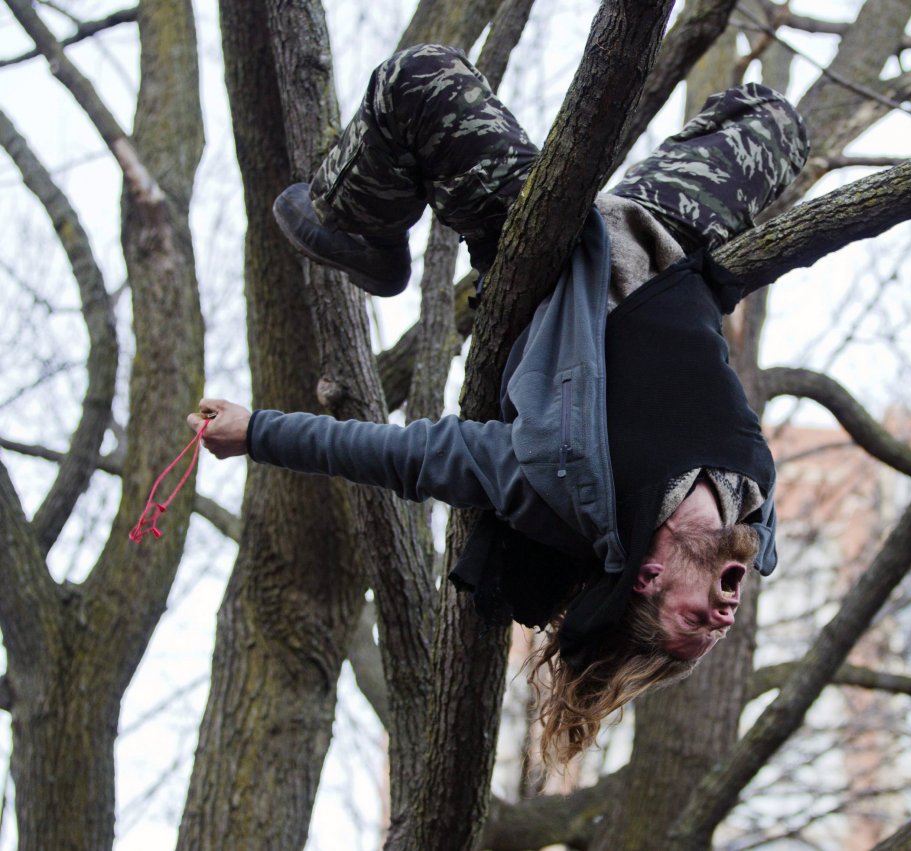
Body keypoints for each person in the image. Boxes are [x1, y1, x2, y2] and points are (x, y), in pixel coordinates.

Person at [191, 44, 809, 764]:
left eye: (693, 624)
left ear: (648, 579)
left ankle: (362, 229)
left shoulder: (569, 495)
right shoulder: (754, 515)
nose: (722, 620)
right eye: (716, 632)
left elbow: (409, 456)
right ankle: (644, 149)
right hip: (672, 231)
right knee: (778, 123)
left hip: (554, 253)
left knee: (419, 80)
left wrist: (256, 432)